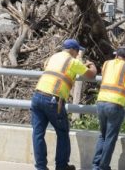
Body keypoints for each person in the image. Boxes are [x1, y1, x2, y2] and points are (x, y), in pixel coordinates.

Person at [31, 39, 97, 170]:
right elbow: (91, 75)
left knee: (38, 133)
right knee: (62, 132)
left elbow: (55, 69)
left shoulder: (53, 57)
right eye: (77, 51)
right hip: (52, 99)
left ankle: (41, 167)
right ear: (73, 50)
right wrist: (92, 65)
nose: (77, 54)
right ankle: (61, 166)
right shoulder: (73, 62)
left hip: (37, 96)